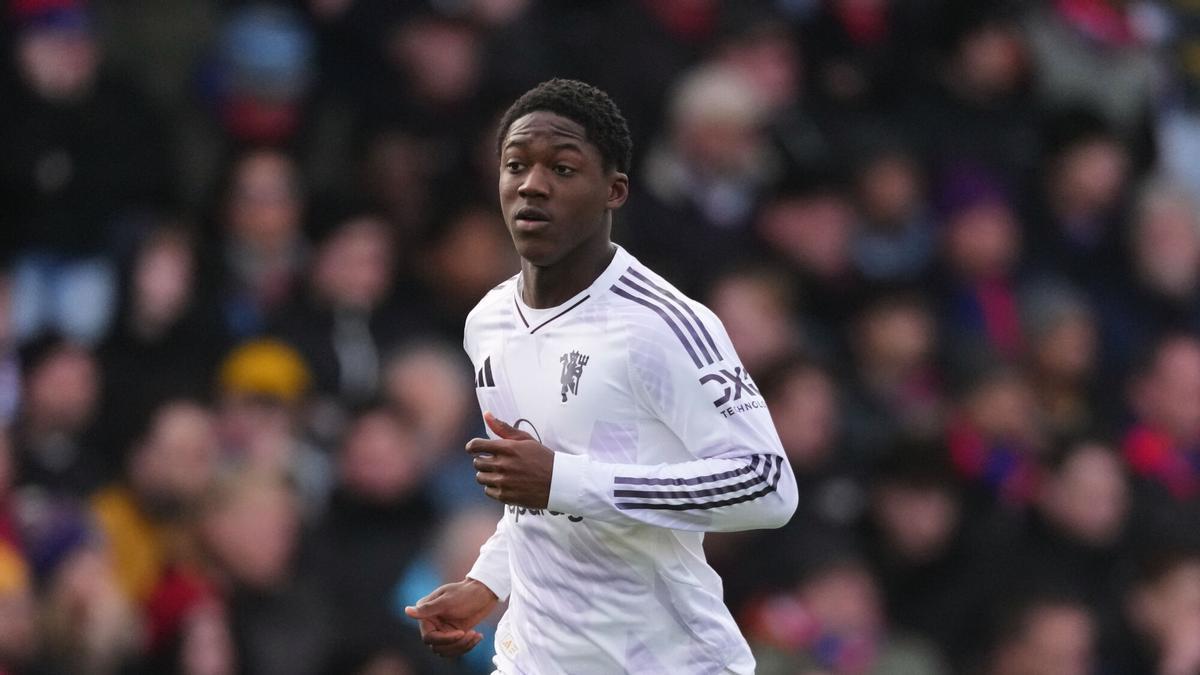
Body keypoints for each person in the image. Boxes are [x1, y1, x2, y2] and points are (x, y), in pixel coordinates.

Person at [404, 79, 799, 674]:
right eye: (516, 165)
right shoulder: (488, 322)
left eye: (562, 169)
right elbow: (534, 498)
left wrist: (565, 480)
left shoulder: (662, 324)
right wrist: (488, 582)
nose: (532, 185)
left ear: (614, 191)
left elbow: (767, 484)